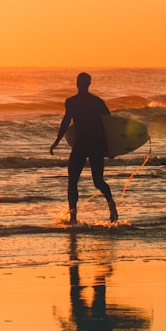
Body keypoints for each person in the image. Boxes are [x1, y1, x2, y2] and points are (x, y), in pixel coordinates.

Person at [50, 72, 118, 224]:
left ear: (77, 83)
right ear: (89, 84)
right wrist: (110, 148)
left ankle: (73, 217)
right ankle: (111, 205)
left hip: (81, 144)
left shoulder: (71, 102)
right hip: (96, 144)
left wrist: (57, 141)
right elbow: (109, 124)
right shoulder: (97, 102)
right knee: (98, 181)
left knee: (72, 181)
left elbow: (66, 122)